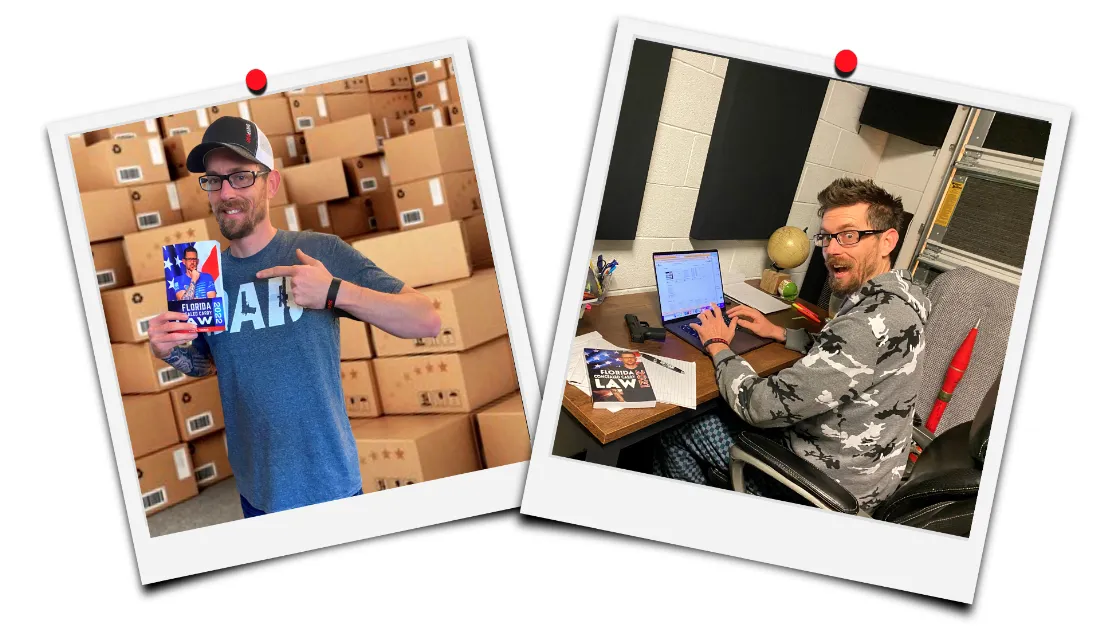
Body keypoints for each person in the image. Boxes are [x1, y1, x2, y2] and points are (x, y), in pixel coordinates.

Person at [145, 116, 441, 518]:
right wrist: (170, 352)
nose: (226, 192)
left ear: (271, 183)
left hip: (330, 485)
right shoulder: (205, 278)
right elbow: (213, 364)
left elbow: (426, 320)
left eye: (241, 177)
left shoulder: (320, 251)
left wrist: (334, 291)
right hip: (256, 491)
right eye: (214, 180)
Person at [653, 178, 931, 513]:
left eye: (848, 235)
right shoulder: (903, 298)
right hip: (872, 473)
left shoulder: (864, 325)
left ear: (887, 241)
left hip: (824, 489)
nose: (831, 249)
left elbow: (757, 406)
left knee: (677, 429)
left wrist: (716, 344)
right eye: (827, 237)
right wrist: (783, 334)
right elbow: (856, 358)